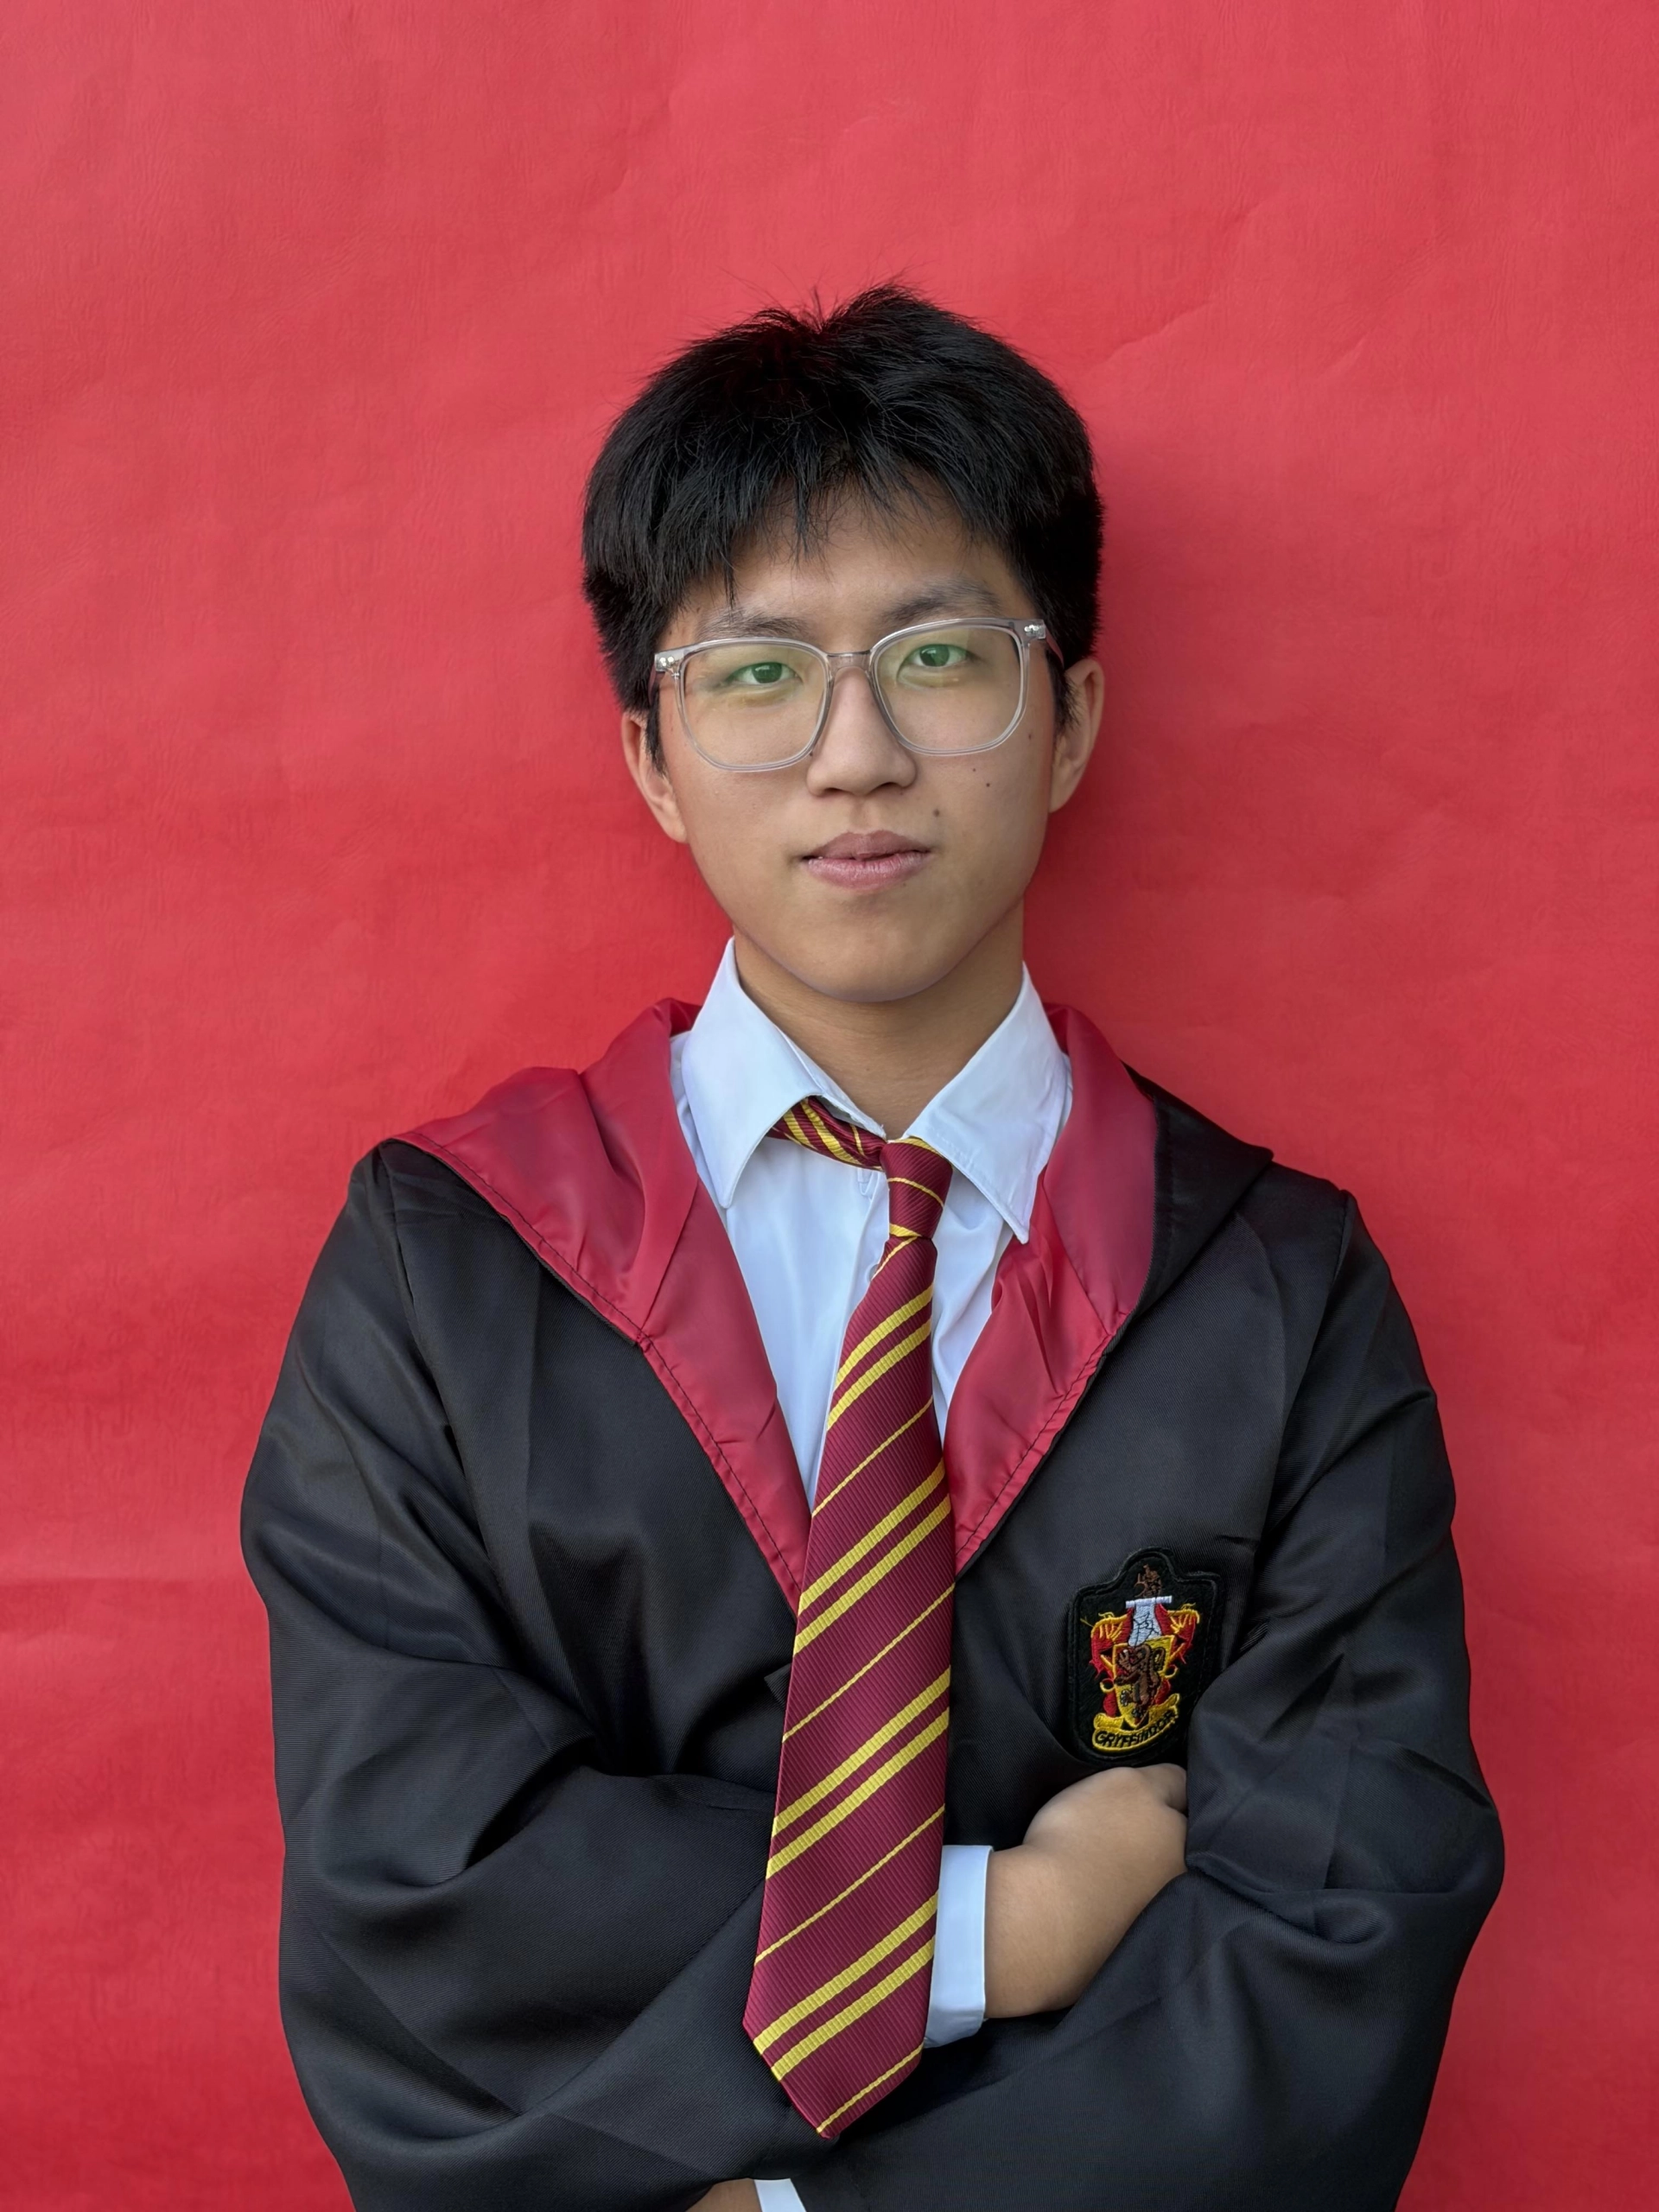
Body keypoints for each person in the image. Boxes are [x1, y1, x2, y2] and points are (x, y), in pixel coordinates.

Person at [243, 287, 1502, 2212]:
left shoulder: (1280, 1295)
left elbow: (1334, 1940)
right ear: (653, 756)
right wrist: (1004, 1924)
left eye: (938, 656)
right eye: (757, 672)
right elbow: (421, 1875)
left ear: (1069, 720)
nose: (856, 754)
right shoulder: (448, 1270)